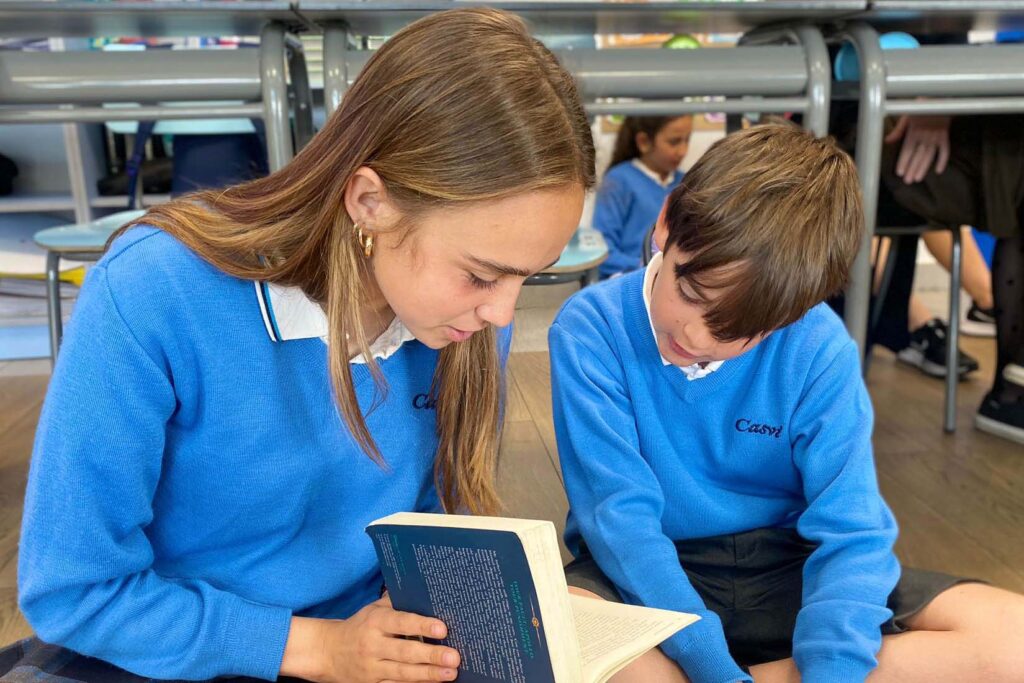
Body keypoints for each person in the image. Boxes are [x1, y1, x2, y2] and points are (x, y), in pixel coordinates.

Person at [14, 9, 595, 683]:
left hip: (365, 649)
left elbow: (439, 535)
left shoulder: (463, 326)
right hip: (161, 652)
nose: (503, 312)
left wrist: (515, 610)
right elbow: (74, 590)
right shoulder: (153, 290)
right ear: (370, 201)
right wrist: (318, 648)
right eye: (481, 273)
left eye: (532, 274)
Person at [549, 124, 1024, 683]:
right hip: (640, 575)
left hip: (789, 567)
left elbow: (852, 530)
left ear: (792, 313)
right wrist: (710, 665)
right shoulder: (590, 329)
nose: (696, 338)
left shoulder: (817, 345)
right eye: (691, 294)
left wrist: (831, 669)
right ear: (668, 220)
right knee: (559, 635)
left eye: (740, 332)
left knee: (1013, 638)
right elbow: (619, 523)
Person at [592, 115, 693, 278]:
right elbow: (602, 249)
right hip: (629, 279)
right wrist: (648, 267)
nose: (683, 151)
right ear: (644, 142)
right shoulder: (618, 181)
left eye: (687, 140)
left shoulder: (686, 182)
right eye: (674, 142)